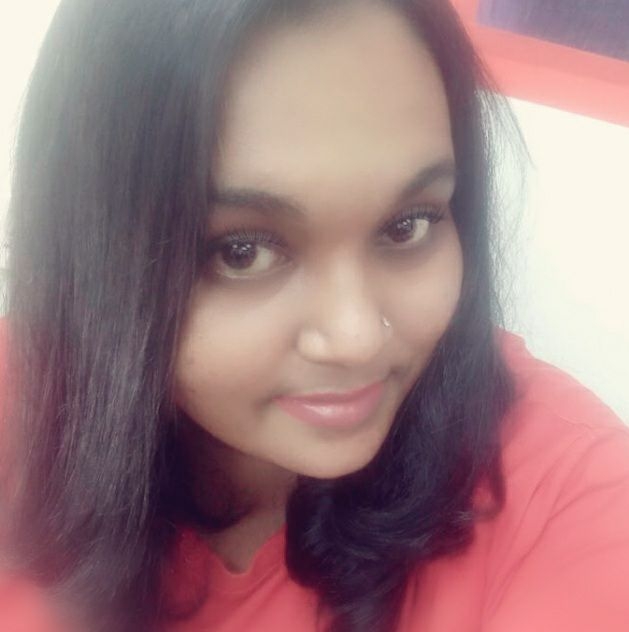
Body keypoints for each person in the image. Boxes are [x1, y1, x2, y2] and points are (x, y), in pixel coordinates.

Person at [1, 1, 628, 631]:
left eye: (408, 225)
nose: (357, 338)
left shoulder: (569, 494)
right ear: (96, 249)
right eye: (243, 252)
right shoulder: (25, 404)